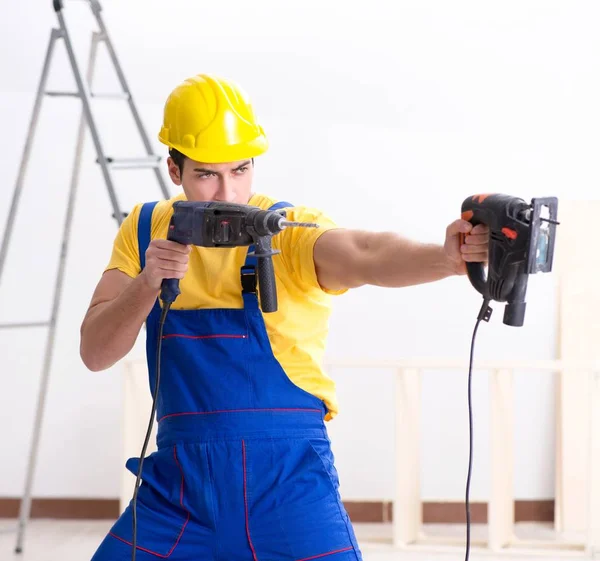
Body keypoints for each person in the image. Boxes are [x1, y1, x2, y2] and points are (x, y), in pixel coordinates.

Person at [81, 74, 488, 561]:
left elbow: (365, 252)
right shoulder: (145, 229)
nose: (228, 192)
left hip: (289, 486)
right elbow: (95, 352)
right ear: (174, 169)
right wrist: (147, 281)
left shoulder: (285, 232)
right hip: (179, 489)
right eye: (207, 174)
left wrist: (445, 259)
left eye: (240, 170)